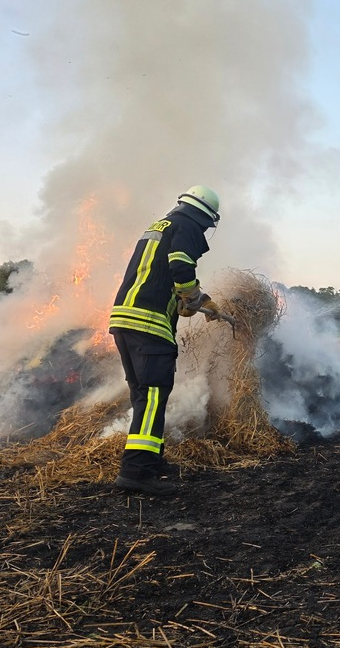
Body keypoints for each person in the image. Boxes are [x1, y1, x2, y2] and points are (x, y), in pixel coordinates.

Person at [108, 185, 222, 496]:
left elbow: (161, 275)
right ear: (204, 217)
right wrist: (193, 295)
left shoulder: (160, 226)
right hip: (148, 323)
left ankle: (152, 460)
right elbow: (181, 266)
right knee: (154, 394)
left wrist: (198, 300)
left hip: (125, 318)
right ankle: (136, 471)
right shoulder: (187, 225)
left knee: (143, 394)